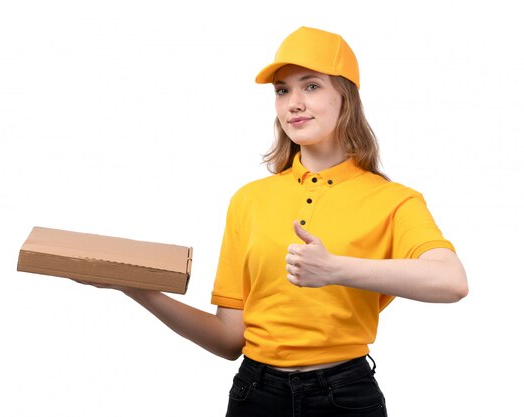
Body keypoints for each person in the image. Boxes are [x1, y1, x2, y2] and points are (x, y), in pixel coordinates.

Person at [81, 26, 468, 416]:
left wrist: (335, 269)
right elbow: (230, 340)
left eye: (311, 86)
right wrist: (133, 288)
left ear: (345, 97)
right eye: (282, 90)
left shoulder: (394, 200)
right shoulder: (249, 200)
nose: (293, 103)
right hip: (255, 394)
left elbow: (451, 281)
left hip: (345, 397)